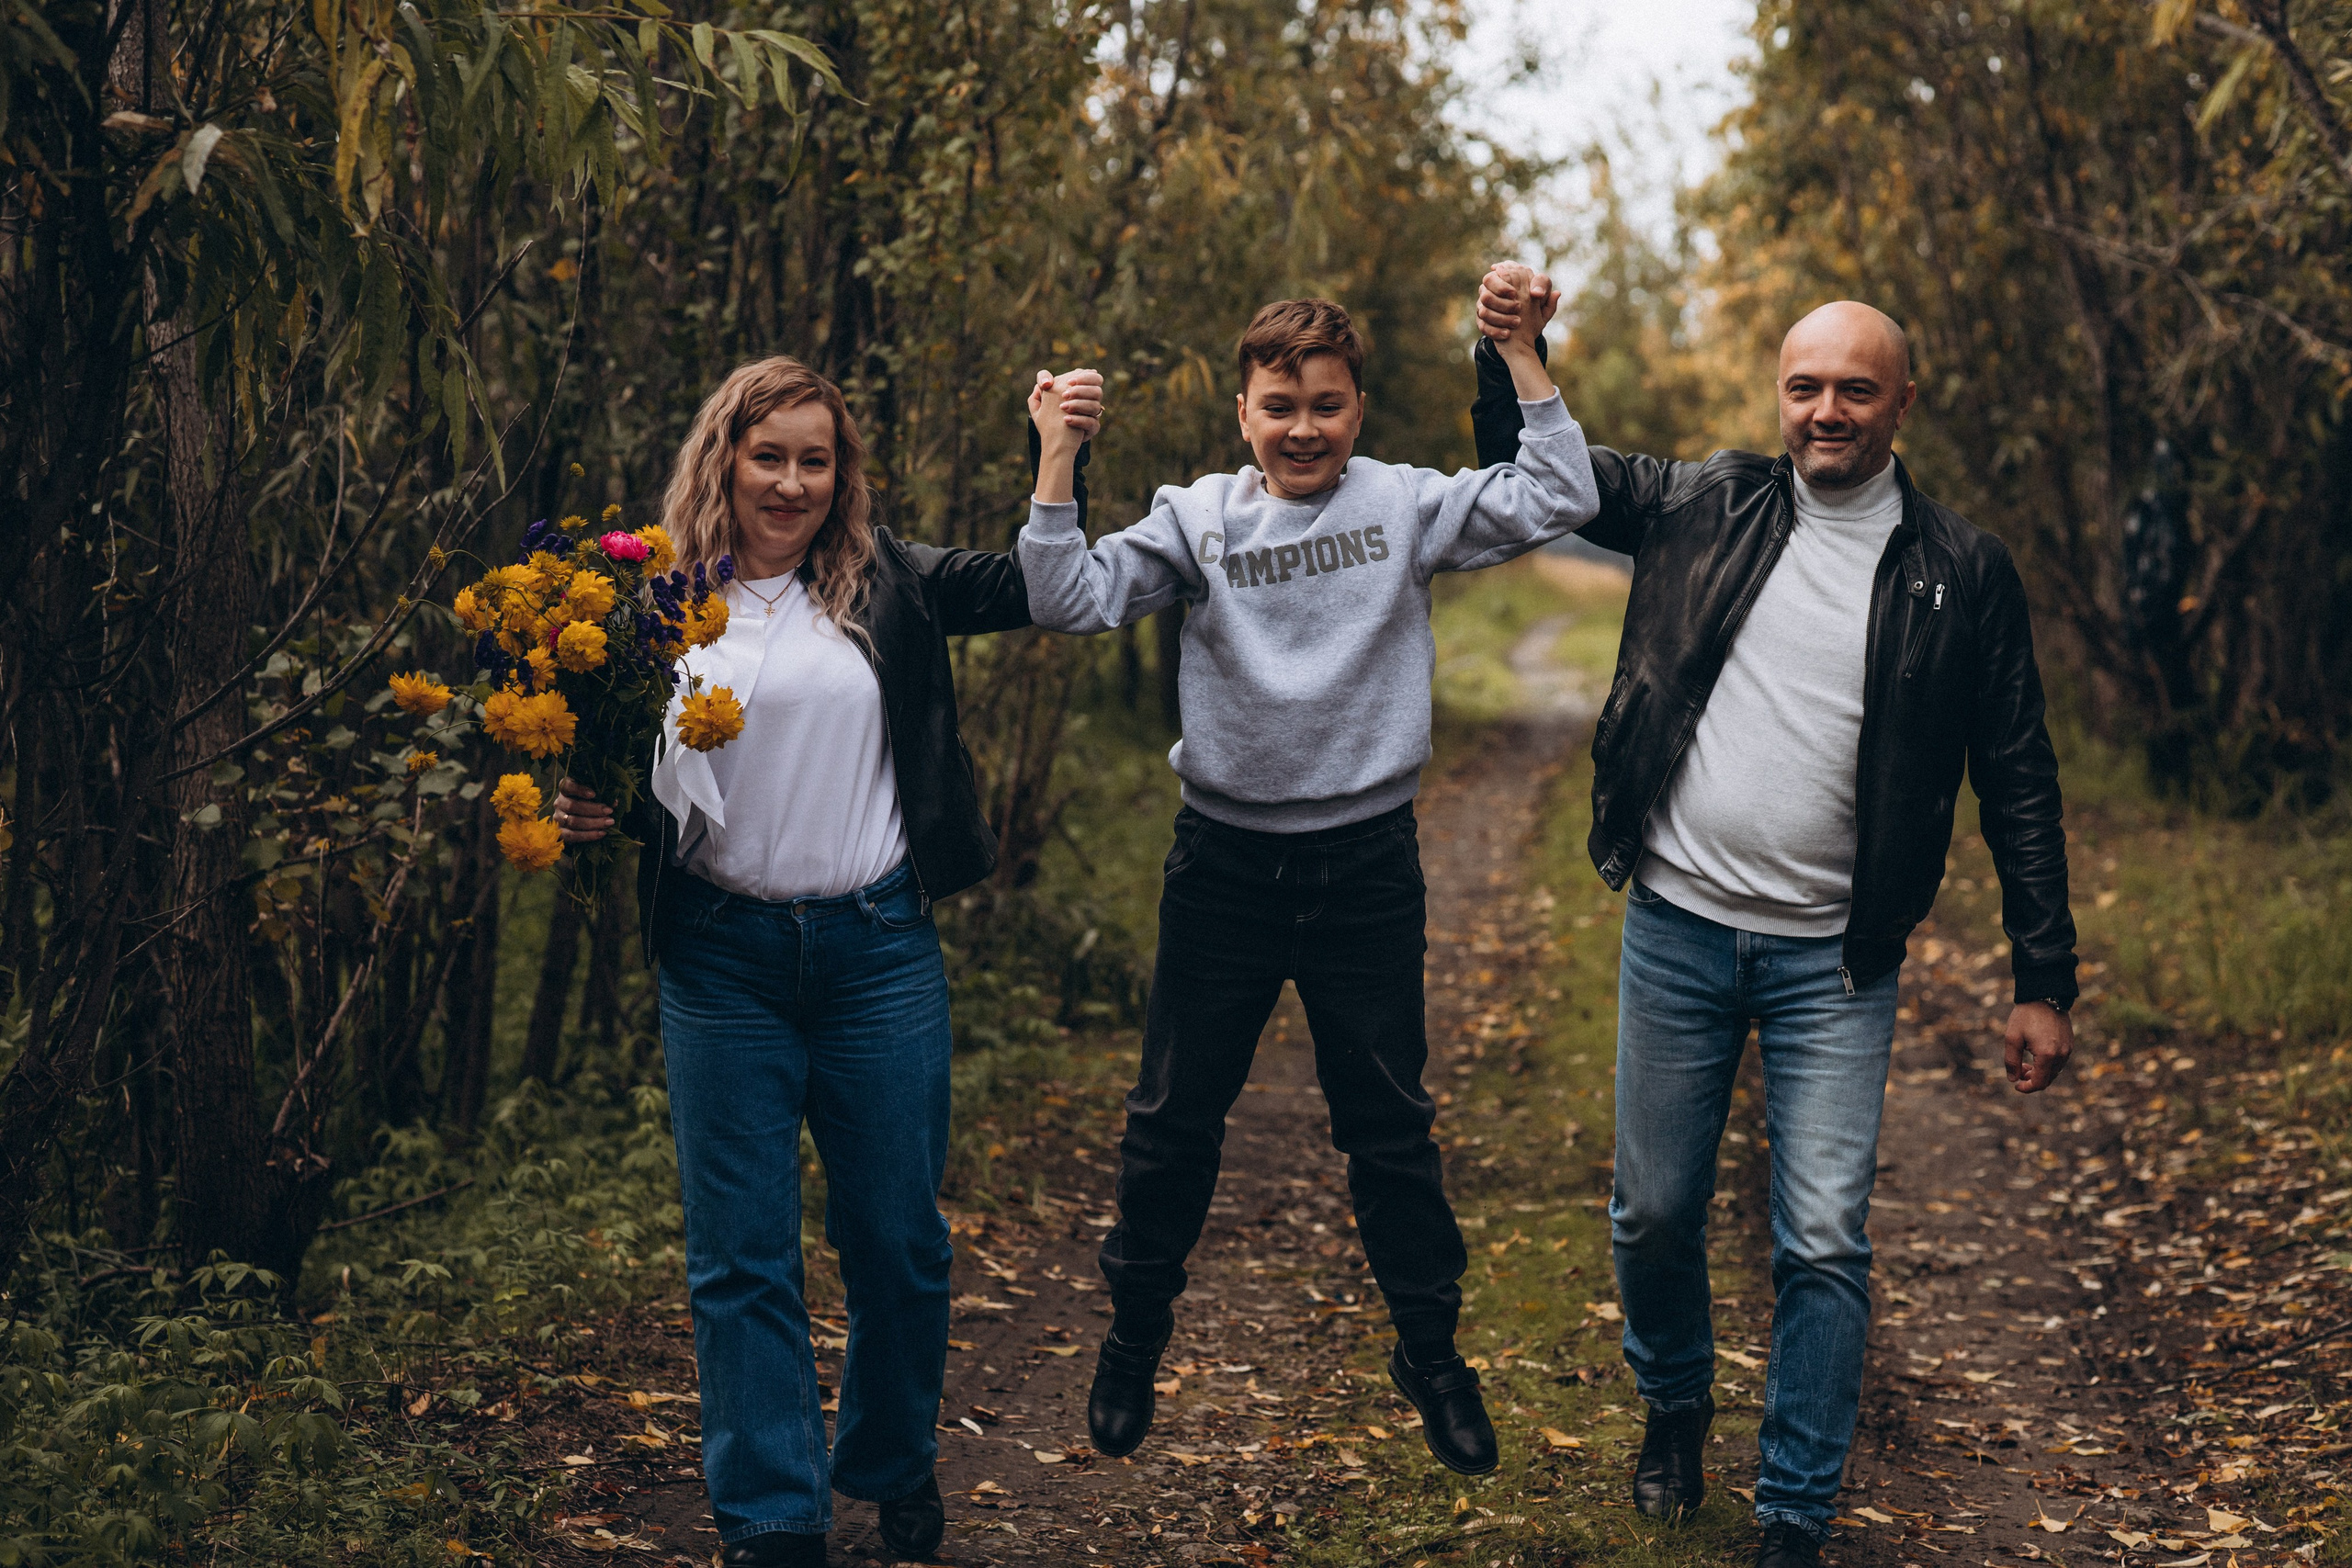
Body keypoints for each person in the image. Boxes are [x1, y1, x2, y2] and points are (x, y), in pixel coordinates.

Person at [1471, 277, 2078, 1568]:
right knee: (1653, 1214)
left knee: (1823, 1240)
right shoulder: (1702, 502)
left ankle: (1793, 1515)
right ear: (1779, 396)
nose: (1827, 411)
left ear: (1903, 403)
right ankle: (1676, 1402)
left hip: (1836, 964)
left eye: (1857, 389)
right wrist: (1512, 352)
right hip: (1679, 928)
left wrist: (2044, 975)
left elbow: (2018, 771)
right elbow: (1538, 479)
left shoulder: (1964, 570)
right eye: (1807, 387)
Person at [1016, 286, 1599, 1477]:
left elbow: (1561, 495)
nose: (1302, 428)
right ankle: (1135, 1330)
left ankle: (1431, 1352)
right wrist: (1058, 457)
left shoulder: (1402, 504)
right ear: (1243, 413)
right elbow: (1064, 598)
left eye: (1325, 406)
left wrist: (1519, 354)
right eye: (1279, 406)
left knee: (1389, 1130)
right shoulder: (1198, 520)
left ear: (1357, 410)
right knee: (1173, 1121)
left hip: (1365, 867)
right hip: (1223, 867)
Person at [551, 356, 1099, 1568]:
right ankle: (772, 1518)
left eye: (816, 460)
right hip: (721, 964)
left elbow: (1042, 588)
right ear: (725, 461)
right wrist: (588, 806)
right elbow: (635, 780)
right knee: (741, 1257)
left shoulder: (890, 581)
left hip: (876, 956)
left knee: (898, 1243)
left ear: (840, 474)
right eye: (770, 457)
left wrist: (1058, 450)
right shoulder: (652, 609)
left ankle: (892, 1459)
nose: (791, 483)